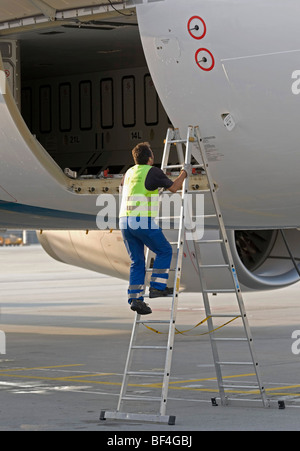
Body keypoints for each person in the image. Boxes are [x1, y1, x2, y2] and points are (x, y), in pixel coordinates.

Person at [119, 142, 189, 315]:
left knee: (137, 261)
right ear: (150, 158)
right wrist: (184, 173)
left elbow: (130, 187)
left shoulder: (129, 172)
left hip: (124, 221)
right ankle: (157, 287)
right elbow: (174, 188)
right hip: (141, 220)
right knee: (164, 250)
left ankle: (136, 299)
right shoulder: (152, 171)